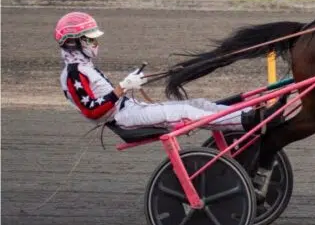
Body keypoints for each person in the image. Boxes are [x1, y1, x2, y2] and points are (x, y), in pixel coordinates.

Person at [55, 11, 278, 135]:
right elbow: (92, 111)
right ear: (74, 41)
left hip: (129, 108)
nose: (96, 42)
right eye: (91, 38)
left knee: (198, 103)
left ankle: (248, 112)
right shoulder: (74, 73)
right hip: (122, 118)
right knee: (183, 111)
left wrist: (131, 85)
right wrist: (123, 87)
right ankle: (249, 119)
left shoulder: (84, 67)